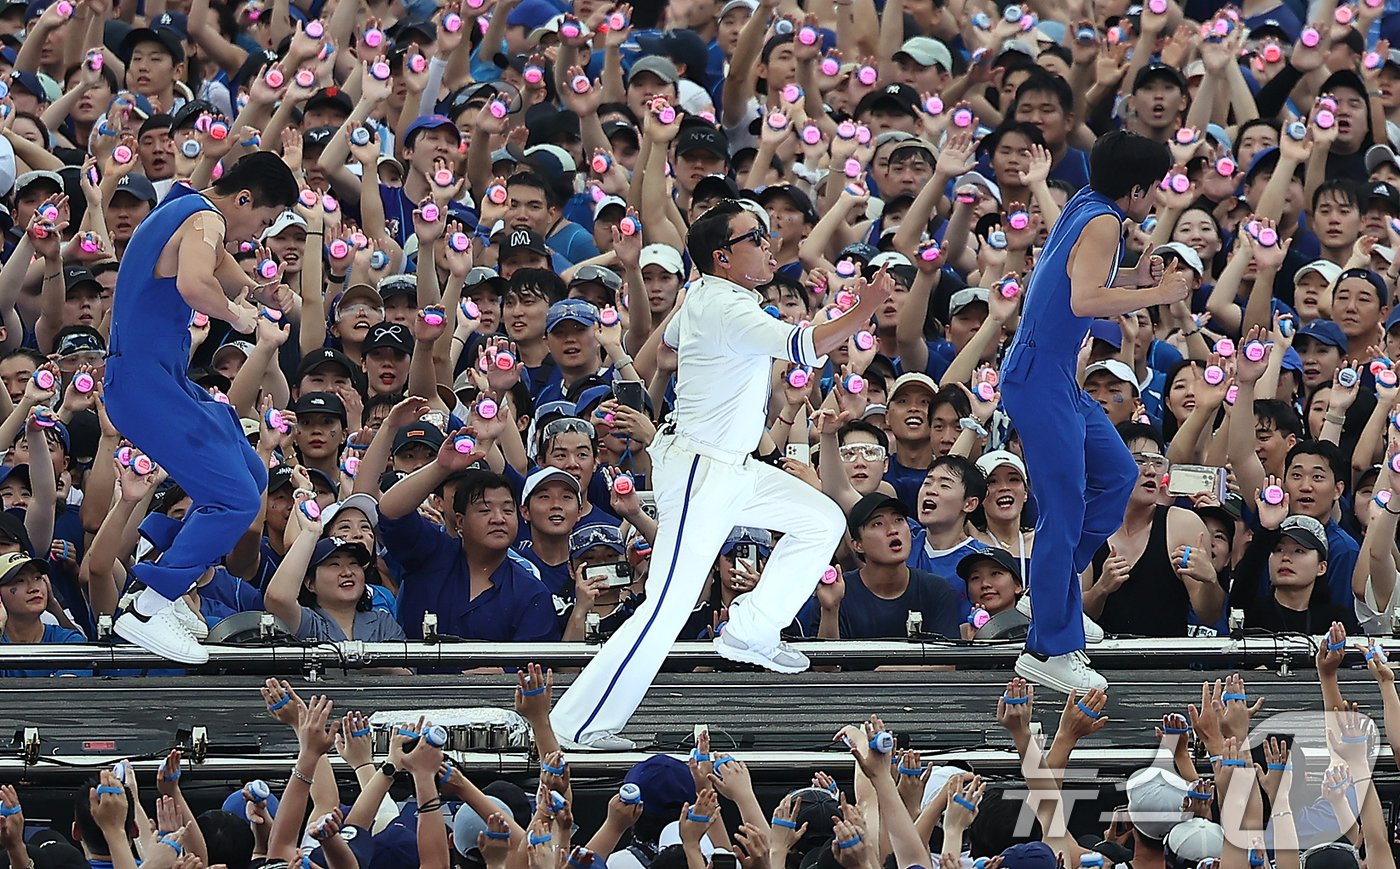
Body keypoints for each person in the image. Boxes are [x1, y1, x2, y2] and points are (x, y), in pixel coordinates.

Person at [548, 199, 891, 750]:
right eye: (753, 237)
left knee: (821, 519)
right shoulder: (726, 306)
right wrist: (864, 307)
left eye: (764, 233)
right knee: (665, 609)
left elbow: (668, 349)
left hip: (732, 467)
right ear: (721, 258)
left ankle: (752, 628)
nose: (767, 242)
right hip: (699, 471)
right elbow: (807, 346)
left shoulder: (710, 299)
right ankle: (577, 727)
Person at [998, 130, 1191, 693]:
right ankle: (1046, 649)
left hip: (1055, 376)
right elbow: (1086, 301)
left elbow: (1078, 282)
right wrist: (1157, 295)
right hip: (1038, 380)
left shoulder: (1089, 203)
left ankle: (1052, 595)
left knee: (1120, 475)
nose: (1156, 200)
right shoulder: (1104, 220)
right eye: (1154, 189)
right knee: (1063, 508)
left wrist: (1136, 278)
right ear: (1135, 187)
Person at [102, 151, 297, 664]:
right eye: (263, 218)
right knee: (235, 500)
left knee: (252, 474)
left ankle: (161, 567)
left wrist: (256, 292)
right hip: (144, 388)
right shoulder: (206, 217)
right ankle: (149, 605)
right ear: (244, 199)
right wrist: (246, 318)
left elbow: (219, 264)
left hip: (159, 382)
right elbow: (194, 284)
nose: (261, 231)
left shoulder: (187, 202)